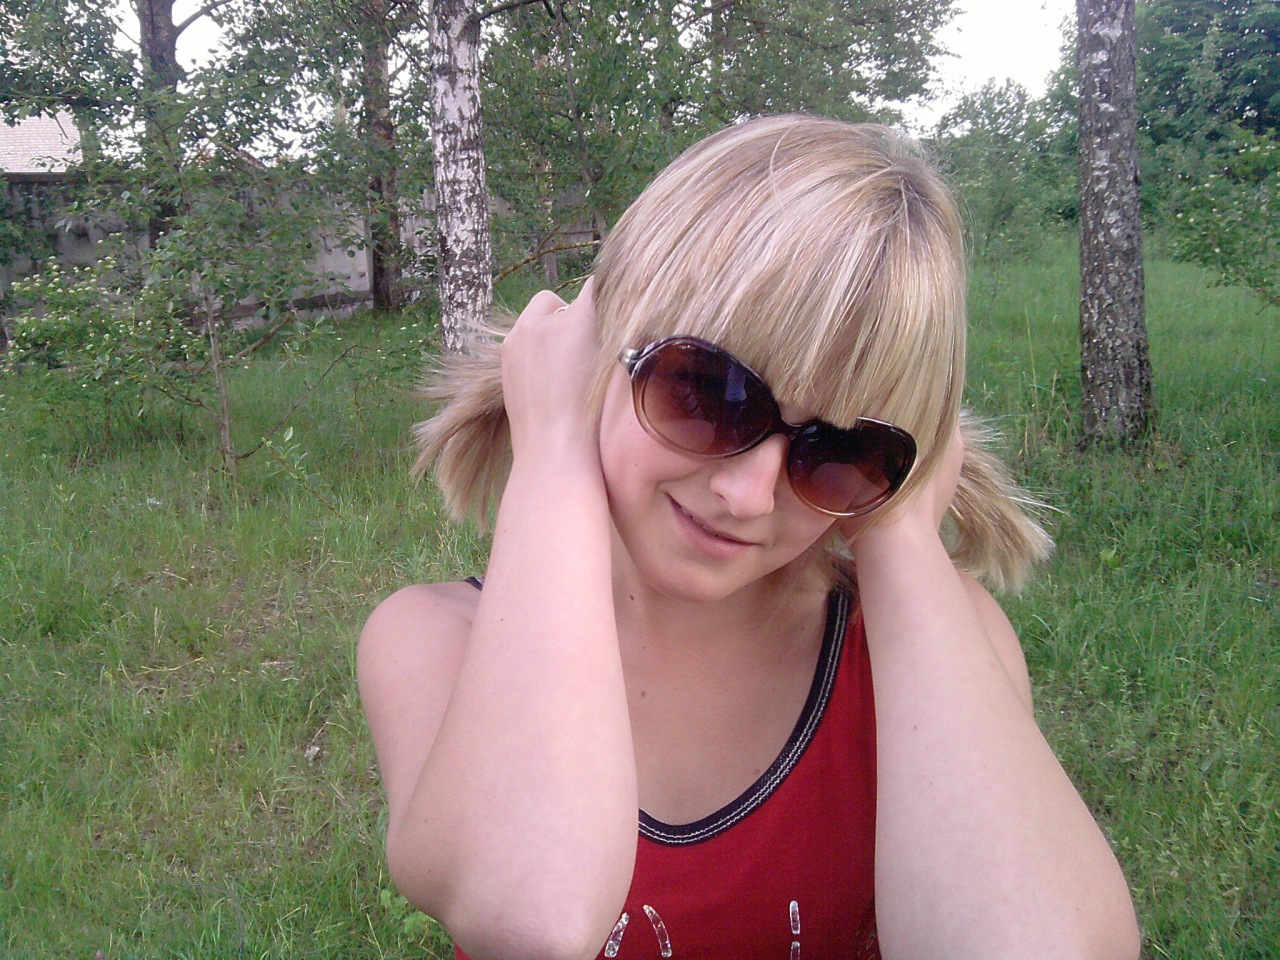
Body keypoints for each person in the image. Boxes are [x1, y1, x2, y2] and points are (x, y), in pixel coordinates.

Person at [358, 115, 1141, 960]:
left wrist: (901, 531)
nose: (747, 495)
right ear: (595, 353)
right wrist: (551, 446)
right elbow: (532, 915)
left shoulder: (928, 649)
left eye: (840, 450)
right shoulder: (433, 641)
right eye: (706, 393)